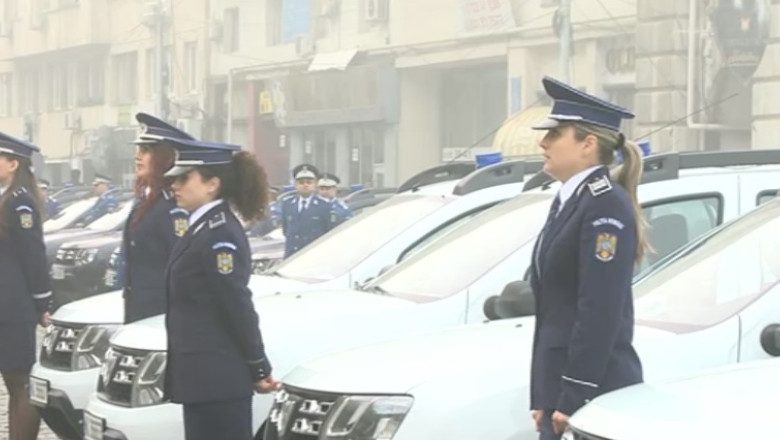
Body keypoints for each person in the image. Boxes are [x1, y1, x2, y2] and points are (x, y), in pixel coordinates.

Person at [528, 76, 647, 440]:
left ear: (588, 144)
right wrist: (544, 394)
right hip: (563, 387)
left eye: (555, 134)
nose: (543, 142)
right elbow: (554, 310)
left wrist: (574, 393)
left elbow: (598, 308)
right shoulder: (570, 200)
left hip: (592, 388)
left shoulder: (603, 204)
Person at [162, 140, 281, 440]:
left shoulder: (219, 233)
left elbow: (235, 303)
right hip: (202, 378)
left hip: (218, 377)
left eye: (184, 178)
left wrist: (258, 365)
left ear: (212, 184)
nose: (174, 185)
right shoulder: (202, 227)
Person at [0, 131, 52, 440]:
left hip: (13, 306)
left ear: (13, 164)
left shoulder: (20, 204)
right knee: (12, 384)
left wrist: (42, 302)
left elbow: (33, 255)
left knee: (21, 384)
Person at [121, 112, 191, 323]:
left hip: (161, 312)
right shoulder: (148, 200)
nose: (137, 157)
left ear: (165, 157)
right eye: (138, 150)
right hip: (140, 307)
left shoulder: (173, 206)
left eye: (146, 151)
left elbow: (182, 267)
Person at [280, 164, 333, 258]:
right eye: (301, 182)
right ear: (295, 184)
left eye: (309, 182)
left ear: (315, 184)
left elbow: (328, 232)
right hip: (291, 256)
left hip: (314, 256)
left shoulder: (324, 205)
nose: (305, 185)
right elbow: (286, 230)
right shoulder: (287, 204)